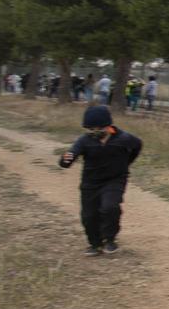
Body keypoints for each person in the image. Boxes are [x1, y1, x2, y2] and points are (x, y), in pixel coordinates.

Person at [59, 105, 144, 255]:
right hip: (90, 182)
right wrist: (66, 159)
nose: (94, 132)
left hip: (115, 179)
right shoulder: (84, 141)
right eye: (90, 129)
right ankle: (94, 244)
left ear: (108, 126)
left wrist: (126, 163)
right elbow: (69, 158)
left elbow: (137, 146)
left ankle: (110, 239)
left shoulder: (123, 138)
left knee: (110, 207)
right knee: (89, 215)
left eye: (98, 128)